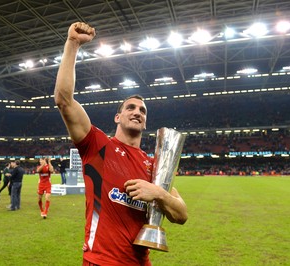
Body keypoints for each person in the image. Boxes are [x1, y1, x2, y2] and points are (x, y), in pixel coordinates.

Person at [54, 22, 188, 266]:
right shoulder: (97, 146)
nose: (137, 112)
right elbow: (64, 100)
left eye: (143, 110)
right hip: (101, 261)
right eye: (131, 107)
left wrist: (157, 193)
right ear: (118, 116)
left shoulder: (154, 166)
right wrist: (73, 44)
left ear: (146, 122)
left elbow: (181, 215)